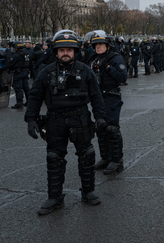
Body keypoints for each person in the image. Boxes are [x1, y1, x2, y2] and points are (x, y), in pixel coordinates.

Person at [24, 31, 106, 215]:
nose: (66, 53)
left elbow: (96, 96)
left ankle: (88, 192)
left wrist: (100, 117)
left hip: (80, 118)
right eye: (62, 50)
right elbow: (35, 97)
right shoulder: (45, 72)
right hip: (55, 120)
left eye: (69, 49)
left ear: (75, 51)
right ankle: (55, 197)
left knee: (87, 156)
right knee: (54, 158)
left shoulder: (86, 71)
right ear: (56, 51)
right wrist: (30, 119)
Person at [88, 31, 127, 175]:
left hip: (111, 96)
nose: (98, 47)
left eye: (101, 45)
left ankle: (117, 160)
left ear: (108, 46)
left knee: (112, 129)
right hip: (98, 97)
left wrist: (110, 69)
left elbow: (123, 77)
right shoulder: (93, 59)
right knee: (101, 128)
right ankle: (105, 157)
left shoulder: (115, 58)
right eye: (96, 45)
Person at [0, 42, 31, 108]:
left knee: (18, 88)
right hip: (25, 72)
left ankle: (19, 103)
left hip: (18, 73)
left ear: (16, 48)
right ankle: (29, 101)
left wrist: (2, 69)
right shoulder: (26, 53)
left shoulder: (16, 55)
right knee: (26, 88)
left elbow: (10, 63)